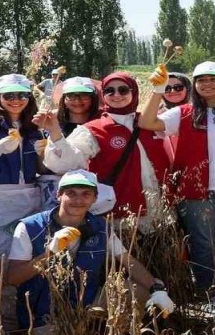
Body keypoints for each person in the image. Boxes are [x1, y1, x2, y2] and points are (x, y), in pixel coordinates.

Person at [5, 170, 175, 335]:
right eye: (71, 193)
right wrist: (49, 254)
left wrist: (156, 289)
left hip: (87, 304)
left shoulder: (100, 226)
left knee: (137, 290)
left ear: (95, 198)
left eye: (85, 194)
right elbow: (13, 278)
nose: (78, 200)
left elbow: (127, 260)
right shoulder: (30, 227)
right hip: (44, 312)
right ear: (58, 195)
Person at [140, 61, 215, 295]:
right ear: (195, 85)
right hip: (197, 193)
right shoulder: (184, 113)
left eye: (213, 79)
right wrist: (158, 90)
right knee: (203, 246)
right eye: (201, 80)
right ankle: (208, 294)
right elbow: (147, 123)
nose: (207, 84)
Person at [41, 72, 174, 232]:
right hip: (122, 217)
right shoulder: (93, 129)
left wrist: (159, 89)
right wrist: (55, 132)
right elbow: (66, 164)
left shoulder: (151, 123)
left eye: (123, 90)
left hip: (165, 214)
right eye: (109, 91)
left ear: (134, 92)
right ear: (103, 95)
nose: (116, 95)